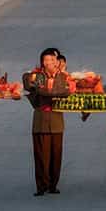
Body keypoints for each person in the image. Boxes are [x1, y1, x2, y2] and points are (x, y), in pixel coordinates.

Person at [22, 48, 73, 196]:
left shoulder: (64, 77)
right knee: (41, 154)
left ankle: (53, 184)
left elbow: (68, 91)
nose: (49, 62)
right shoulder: (38, 76)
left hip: (57, 119)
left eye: (52, 60)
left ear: (57, 62)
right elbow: (30, 85)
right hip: (40, 119)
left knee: (56, 154)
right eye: (45, 60)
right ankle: (41, 185)